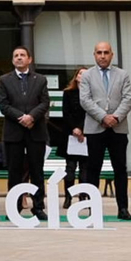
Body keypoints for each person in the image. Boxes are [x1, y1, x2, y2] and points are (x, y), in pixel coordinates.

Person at [80, 41, 131, 220]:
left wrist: (115, 117)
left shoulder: (122, 74)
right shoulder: (87, 75)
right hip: (96, 128)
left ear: (112, 54)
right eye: (99, 53)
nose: (102, 56)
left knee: (120, 168)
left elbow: (128, 99)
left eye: (106, 52)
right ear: (94, 55)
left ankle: (123, 208)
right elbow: (85, 100)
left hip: (118, 129)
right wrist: (104, 117)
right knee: (93, 168)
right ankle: (92, 209)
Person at [0, 45, 49, 221]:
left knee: (37, 171)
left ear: (29, 59)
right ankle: (15, 207)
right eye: (16, 56)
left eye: (22, 55)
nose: (19, 58)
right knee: (14, 171)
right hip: (14, 132)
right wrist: (21, 117)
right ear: (13, 60)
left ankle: (38, 207)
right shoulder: (4, 80)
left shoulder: (40, 79)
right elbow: (3, 105)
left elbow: (44, 103)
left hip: (36, 131)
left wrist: (32, 117)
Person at [56, 66, 89, 202]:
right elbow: (66, 113)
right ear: (76, 77)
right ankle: (68, 197)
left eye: (86, 74)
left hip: (87, 135)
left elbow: (91, 113)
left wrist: (82, 129)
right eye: (80, 73)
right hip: (70, 135)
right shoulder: (68, 93)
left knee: (84, 170)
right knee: (70, 168)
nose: (82, 76)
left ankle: (82, 196)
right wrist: (74, 128)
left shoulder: (92, 94)